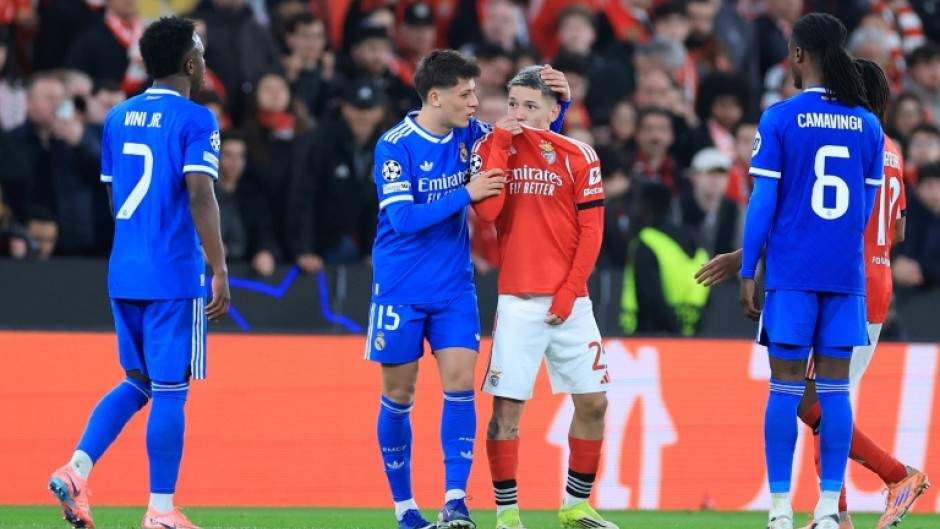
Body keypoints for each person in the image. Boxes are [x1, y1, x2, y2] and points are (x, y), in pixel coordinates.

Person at [695, 58, 930, 529]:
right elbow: (896, 230)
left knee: (811, 400)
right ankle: (836, 512)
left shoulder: (843, 138)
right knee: (822, 396)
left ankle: (894, 477)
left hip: (838, 282)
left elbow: (813, 223)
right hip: (872, 283)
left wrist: (748, 257)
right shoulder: (888, 147)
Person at [365, 49, 570, 529]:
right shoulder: (395, 145)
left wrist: (561, 100)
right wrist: (466, 192)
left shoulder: (473, 136)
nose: (476, 101)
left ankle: (456, 501)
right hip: (398, 288)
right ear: (435, 97)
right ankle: (405, 508)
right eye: (465, 93)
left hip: (455, 287)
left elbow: (539, 146)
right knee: (399, 395)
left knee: (460, 388)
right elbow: (403, 218)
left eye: (476, 91)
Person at [47, 16, 230, 529]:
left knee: (139, 380)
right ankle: (161, 511)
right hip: (173, 271)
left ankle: (77, 470)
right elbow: (200, 193)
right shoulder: (197, 120)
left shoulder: (117, 117)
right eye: (200, 50)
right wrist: (218, 268)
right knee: (172, 388)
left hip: (125, 268)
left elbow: (113, 196)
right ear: (190, 63)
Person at [737, 13, 884, 529]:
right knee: (837, 391)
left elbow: (763, 201)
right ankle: (826, 511)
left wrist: (749, 267)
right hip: (845, 277)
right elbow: (864, 212)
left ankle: (779, 510)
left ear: (798, 54)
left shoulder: (780, 117)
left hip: (793, 275)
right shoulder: (868, 125)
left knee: (785, 389)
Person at [470, 65, 615, 529]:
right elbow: (489, 213)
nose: (518, 113)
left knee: (594, 403)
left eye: (530, 106)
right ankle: (507, 514)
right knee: (506, 412)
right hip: (517, 302)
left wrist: (571, 291)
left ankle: (575, 507)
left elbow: (592, 232)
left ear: (554, 112)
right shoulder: (490, 148)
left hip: (571, 303)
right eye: (512, 104)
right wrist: (501, 146)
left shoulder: (580, 155)